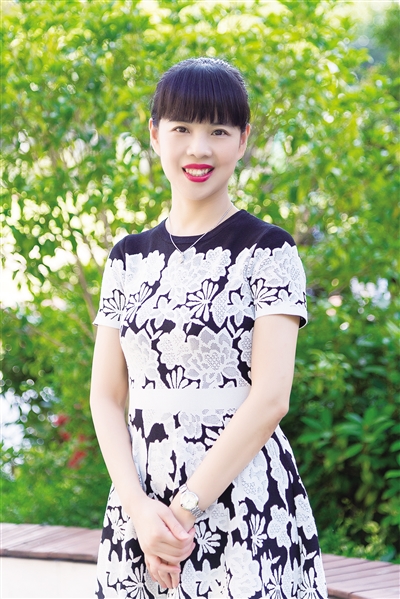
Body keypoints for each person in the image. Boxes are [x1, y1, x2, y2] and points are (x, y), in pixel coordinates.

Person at [90, 57, 327, 599]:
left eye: (218, 131)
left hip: (241, 503)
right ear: (155, 135)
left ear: (243, 140)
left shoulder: (268, 250)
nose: (199, 149)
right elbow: (106, 396)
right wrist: (140, 513)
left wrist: (182, 512)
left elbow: (271, 398)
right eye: (182, 129)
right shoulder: (127, 257)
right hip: (141, 510)